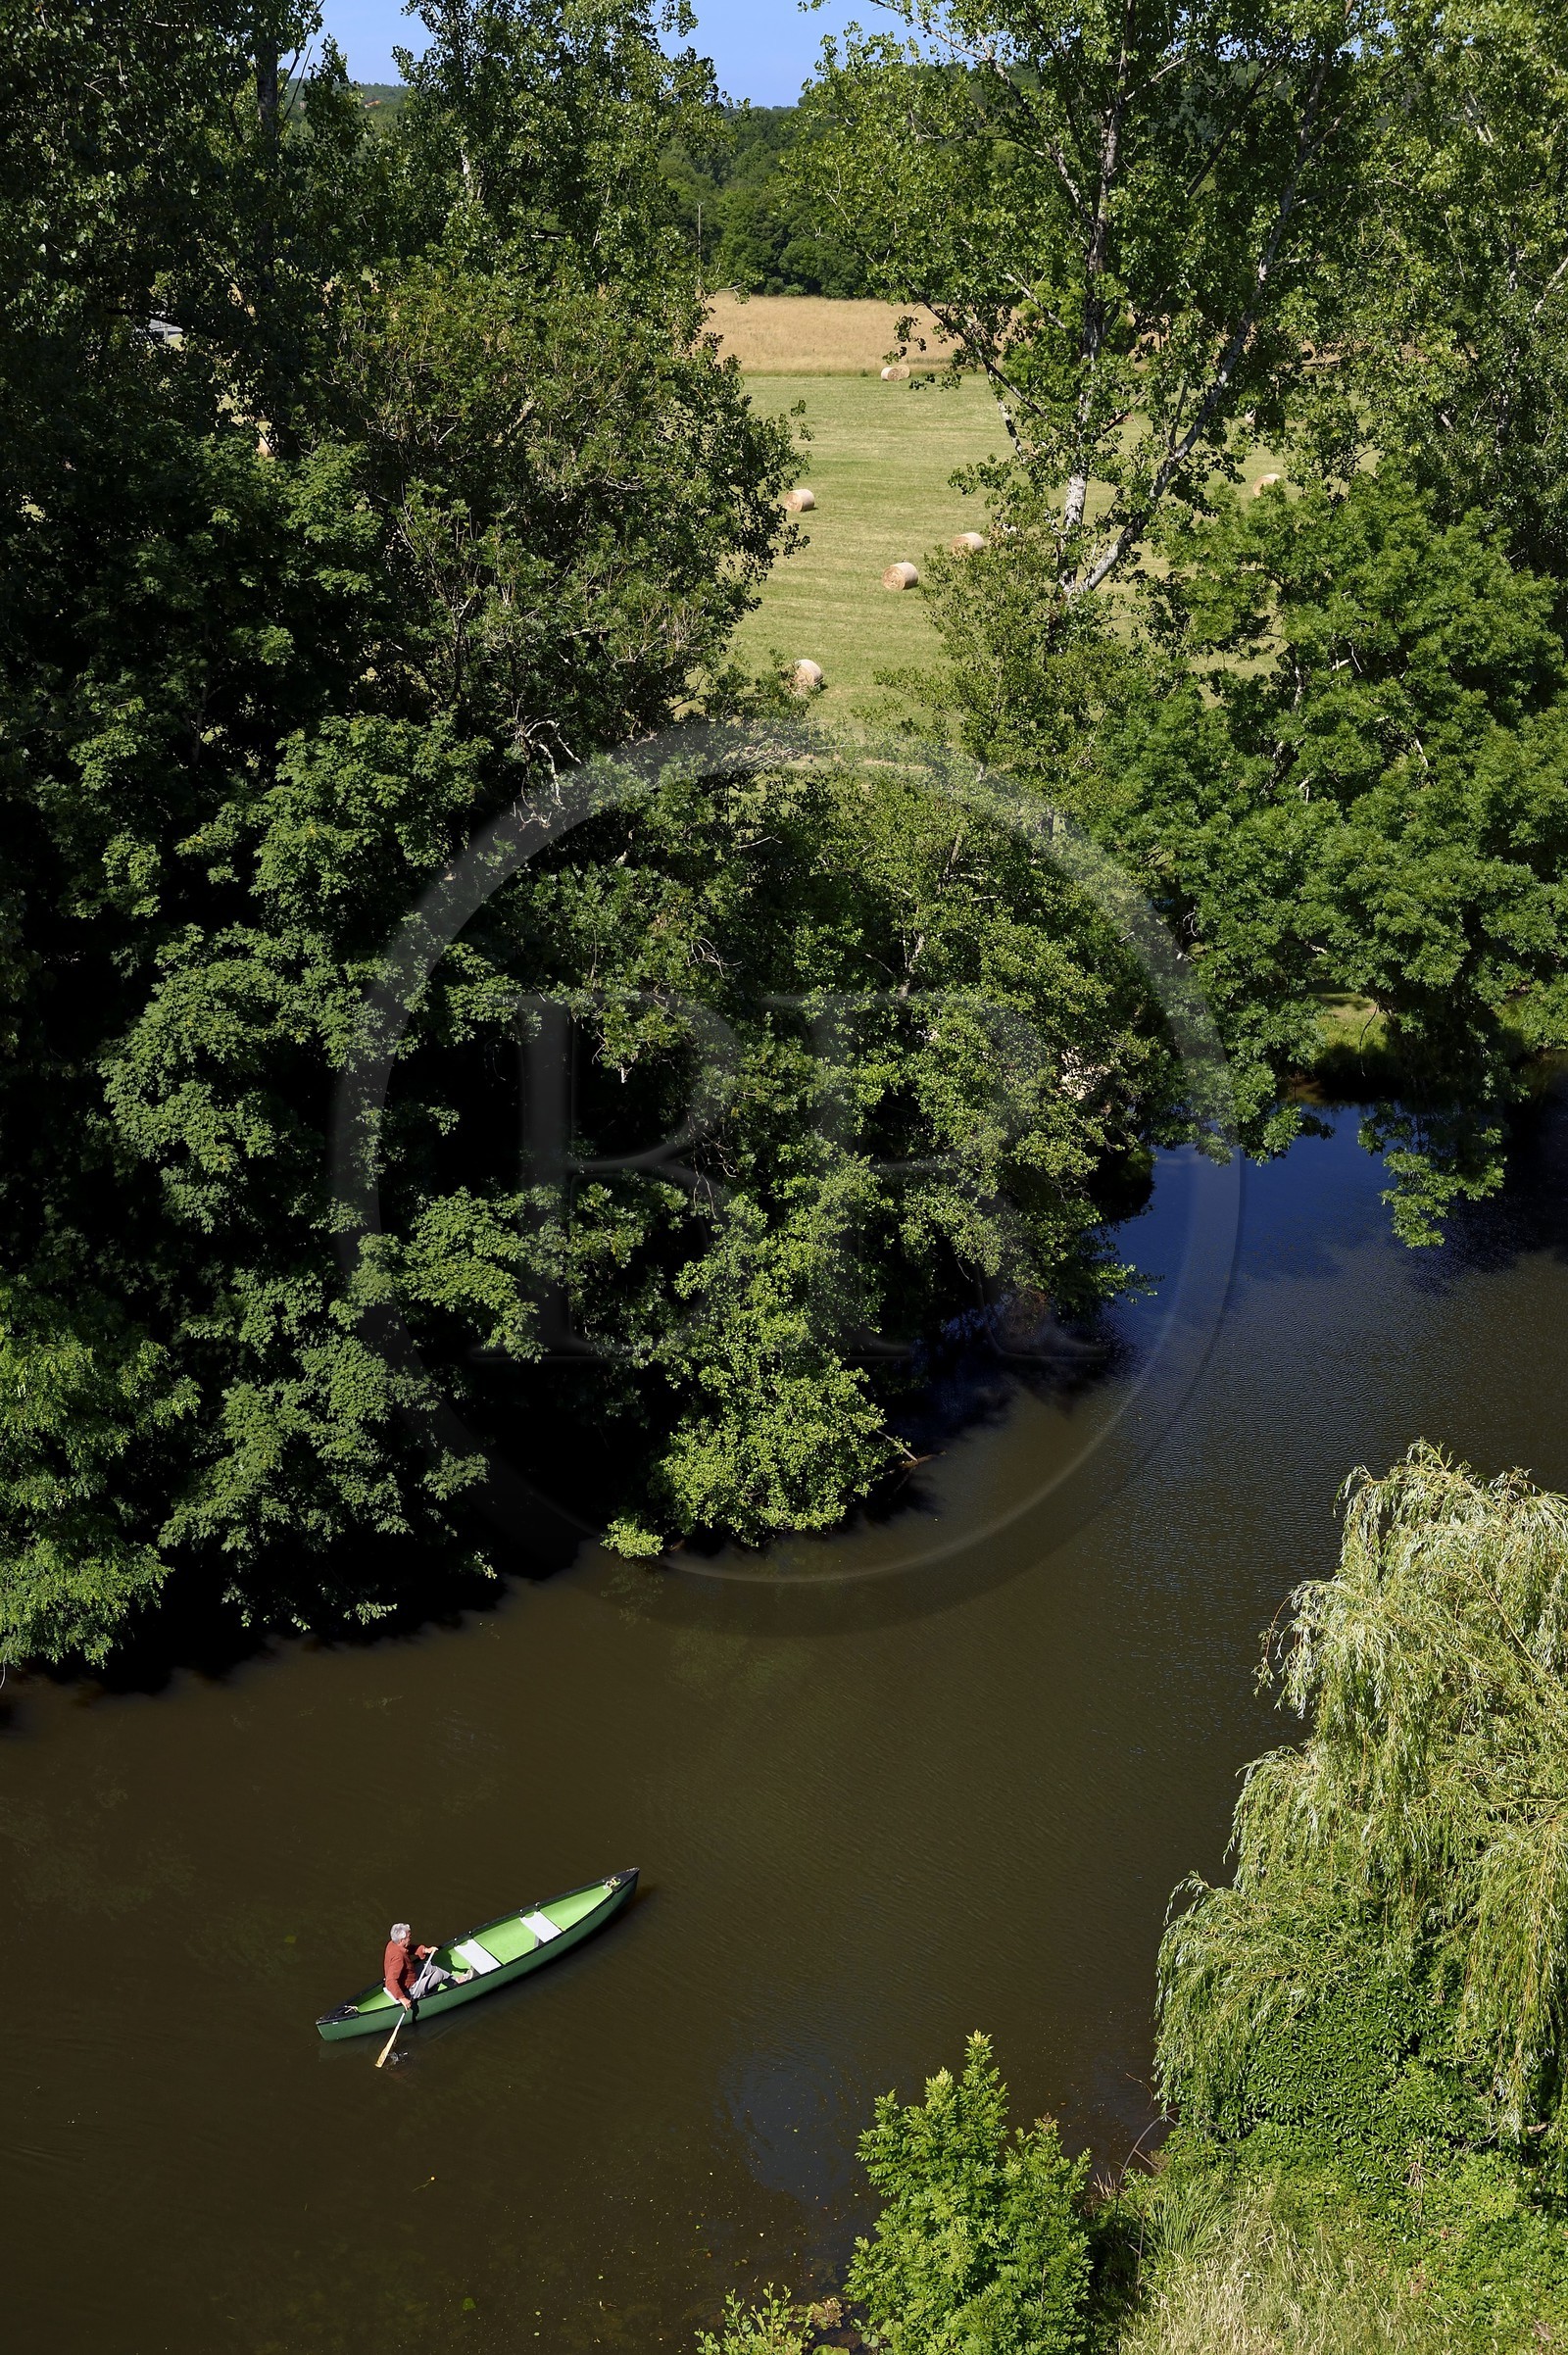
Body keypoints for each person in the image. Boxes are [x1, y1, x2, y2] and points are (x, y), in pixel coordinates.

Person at [383, 1921, 463, 2012]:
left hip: (410, 1977)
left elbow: (408, 1948)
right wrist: (402, 1999)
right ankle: (450, 1987)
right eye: (409, 1937)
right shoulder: (398, 1958)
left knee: (429, 1966)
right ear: (401, 1940)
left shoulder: (393, 1943)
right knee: (439, 1974)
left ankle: (455, 1982)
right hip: (409, 1990)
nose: (411, 1938)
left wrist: (425, 1950)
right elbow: (390, 1981)